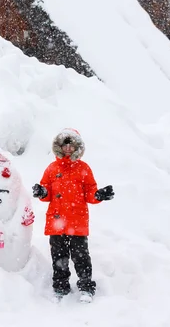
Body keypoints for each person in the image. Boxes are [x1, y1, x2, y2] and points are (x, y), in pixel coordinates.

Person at [33, 128, 114, 303]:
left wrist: (99, 195)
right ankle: (60, 287)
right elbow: (47, 194)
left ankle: (86, 287)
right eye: (65, 144)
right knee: (59, 257)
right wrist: (42, 192)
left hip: (77, 222)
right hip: (56, 222)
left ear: (77, 146)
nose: (68, 148)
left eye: (72, 145)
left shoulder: (83, 169)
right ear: (59, 146)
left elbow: (90, 193)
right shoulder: (52, 168)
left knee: (81, 257)